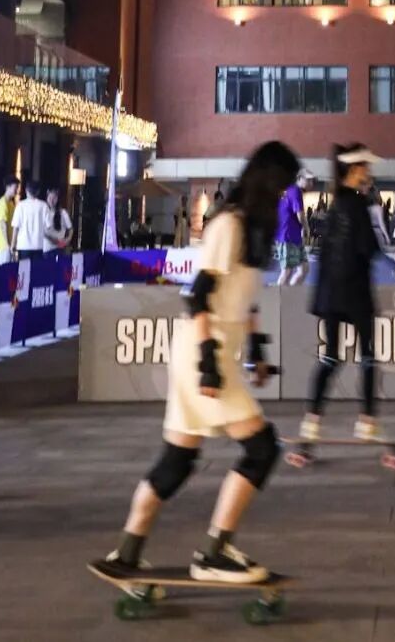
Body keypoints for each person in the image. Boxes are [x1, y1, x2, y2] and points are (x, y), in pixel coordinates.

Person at [102, 141, 299, 585]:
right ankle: (215, 552)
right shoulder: (229, 225)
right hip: (202, 355)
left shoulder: (251, 231)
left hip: (212, 353)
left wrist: (258, 351)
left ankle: (128, 552)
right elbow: (198, 296)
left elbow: (243, 302)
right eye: (282, 187)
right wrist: (209, 361)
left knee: (177, 461)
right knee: (262, 449)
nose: (285, 196)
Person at [300, 144, 395, 445]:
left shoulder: (335, 204)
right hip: (355, 291)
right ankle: (367, 422)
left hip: (330, 293)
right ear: (355, 169)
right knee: (369, 356)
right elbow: (370, 248)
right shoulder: (358, 204)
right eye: (366, 167)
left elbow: (325, 253)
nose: (369, 172)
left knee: (331, 357)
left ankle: (311, 422)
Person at [275, 169, 311, 287]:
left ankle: (290, 293)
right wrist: (306, 228)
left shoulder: (292, 191)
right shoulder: (295, 191)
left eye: (312, 180)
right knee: (287, 271)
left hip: (294, 236)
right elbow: (300, 214)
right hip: (287, 236)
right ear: (299, 179)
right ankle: (279, 296)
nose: (310, 183)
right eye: (308, 180)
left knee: (304, 269)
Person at [11, 182, 48, 261]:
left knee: (24, 268)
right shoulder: (43, 205)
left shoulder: (20, 205)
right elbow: (48, 226)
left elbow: (16, 227)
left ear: (26, 191)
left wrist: (13, 245)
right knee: (37, 268)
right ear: (38, 192)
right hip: (38, 245)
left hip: (23, 245)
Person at [0, 175, 19, 266]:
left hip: (10, 247)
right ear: (8, 187)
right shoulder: (2, 203)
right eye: (15, 187)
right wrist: (8, 244)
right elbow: (2, 224)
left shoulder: (11, 203)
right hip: (3, 247)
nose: (17, 190)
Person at [44, 188, 73, 253]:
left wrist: (68, 239)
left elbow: (70, 229)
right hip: (46, 248)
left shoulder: (63, 212)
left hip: (59, 247)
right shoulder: (43, 212)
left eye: (54, 198)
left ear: (57, 199)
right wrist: (53, 240)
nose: (52, 200)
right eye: (50, 197)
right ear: (47, 198)